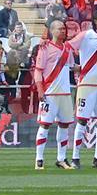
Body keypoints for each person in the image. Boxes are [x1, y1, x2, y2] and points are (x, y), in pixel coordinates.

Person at [33, 19, 76, 170]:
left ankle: (61, 158)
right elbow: (38, 70)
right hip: (49, 92)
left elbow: (72, 67)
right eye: (59, 29)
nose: (63, 31)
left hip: (64, 93)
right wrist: (40, 89)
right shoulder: (44, 48)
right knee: (45, 125)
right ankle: (39, 159)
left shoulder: (67, 49)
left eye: (64, 29)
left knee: (64, 125)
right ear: (52, 31)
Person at [70, 11, 97, 168]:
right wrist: (73, 66)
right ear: (95, 20)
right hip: (86, 84)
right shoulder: (86, 35)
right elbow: (68, 47)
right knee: (82, 120)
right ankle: (75, 157)